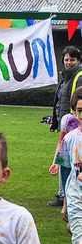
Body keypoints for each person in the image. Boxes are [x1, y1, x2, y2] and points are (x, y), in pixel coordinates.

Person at [56, 87, 82, 244]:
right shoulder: (71, 139)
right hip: (75, 197)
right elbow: (68, 173)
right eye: (79, 111)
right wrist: (65, 203)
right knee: (78, 243)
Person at [49, 46, 82, 207]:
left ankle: (67, 195)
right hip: (66, 123)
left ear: (78, 61)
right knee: (65, 160)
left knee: (71, 160)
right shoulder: (66, 77)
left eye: (72, 60)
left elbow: (76, 101)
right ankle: (64, 193)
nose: (68, 62)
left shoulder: (79, 76)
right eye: (66, 59)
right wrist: (56, 121)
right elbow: (59, 101)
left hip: (75, 125)